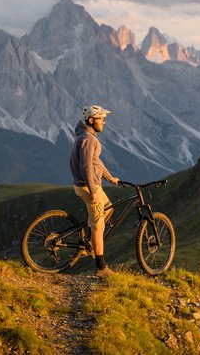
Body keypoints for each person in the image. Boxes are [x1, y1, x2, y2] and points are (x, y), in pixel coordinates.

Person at [70, 105, 120, 275]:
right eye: (101, 119)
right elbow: (85, 166)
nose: (104, 122)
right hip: (88, 186)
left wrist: (109, 177)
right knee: (98, 227)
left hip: (90, 185)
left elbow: (95, 161)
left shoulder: (86, 136)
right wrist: (93, 191)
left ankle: (90, 242)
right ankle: (101, 267)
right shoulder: (89, 139)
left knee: (109, 208)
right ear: (91, 120)